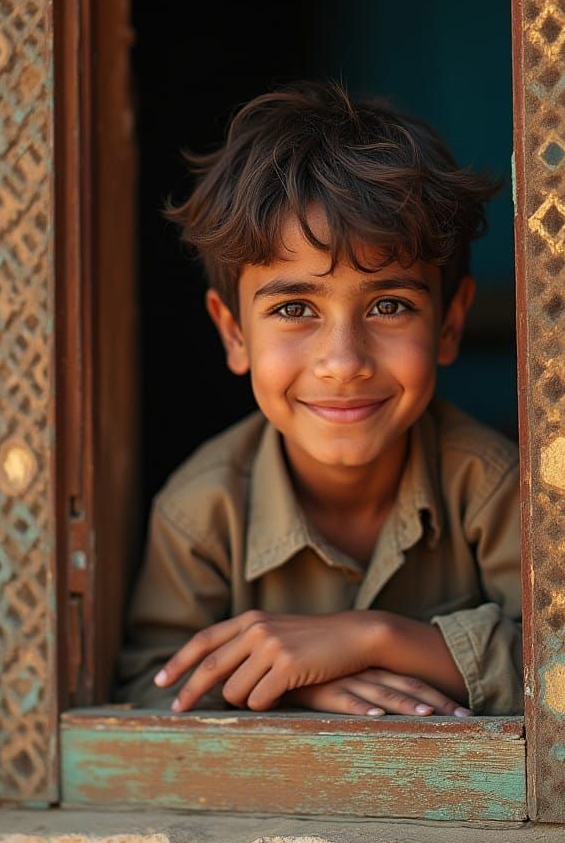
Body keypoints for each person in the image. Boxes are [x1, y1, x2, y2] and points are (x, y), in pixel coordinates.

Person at [116, 81, 522, 718]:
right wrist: (295, 685)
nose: (343, 363)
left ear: (448, 324)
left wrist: (373, 640)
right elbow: (152, 686)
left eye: (390, 306)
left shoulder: (492, 487)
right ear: (233, 331)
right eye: (295, 308)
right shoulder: (201, 512)